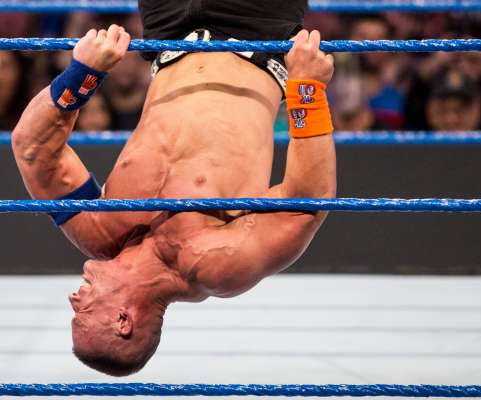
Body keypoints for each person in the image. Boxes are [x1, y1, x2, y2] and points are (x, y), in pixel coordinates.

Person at [11, 0, 336, 377]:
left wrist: (83, 75)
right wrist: (307, 90)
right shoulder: (218, 264)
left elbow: (33, 149)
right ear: (123, 320)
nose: (73, 297)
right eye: (82, 312)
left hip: (167, 28)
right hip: (258, 27)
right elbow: (306, 204)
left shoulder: (97, 230)